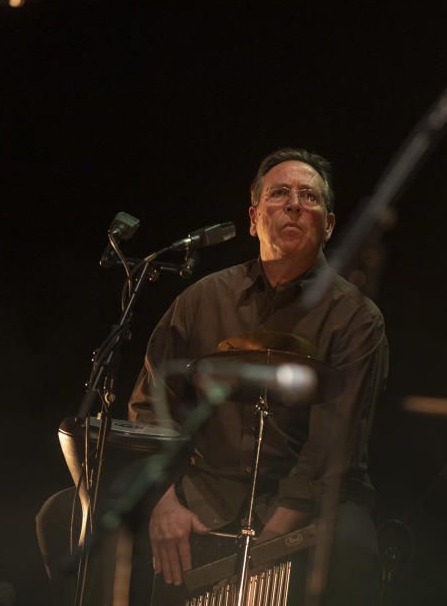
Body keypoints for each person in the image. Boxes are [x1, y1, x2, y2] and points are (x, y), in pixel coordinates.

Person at [127, 148, 389, 603]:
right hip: (206, 489)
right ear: (252, 218)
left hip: (312, 501)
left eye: (309, 197)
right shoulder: (201, 300)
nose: (293, 204)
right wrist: (165, 498)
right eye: (279, 193)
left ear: (328, 225)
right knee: (83, 522)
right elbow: (150, 406)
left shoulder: (356, 318)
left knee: (352, 547)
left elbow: (333, 446)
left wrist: (271, 540)